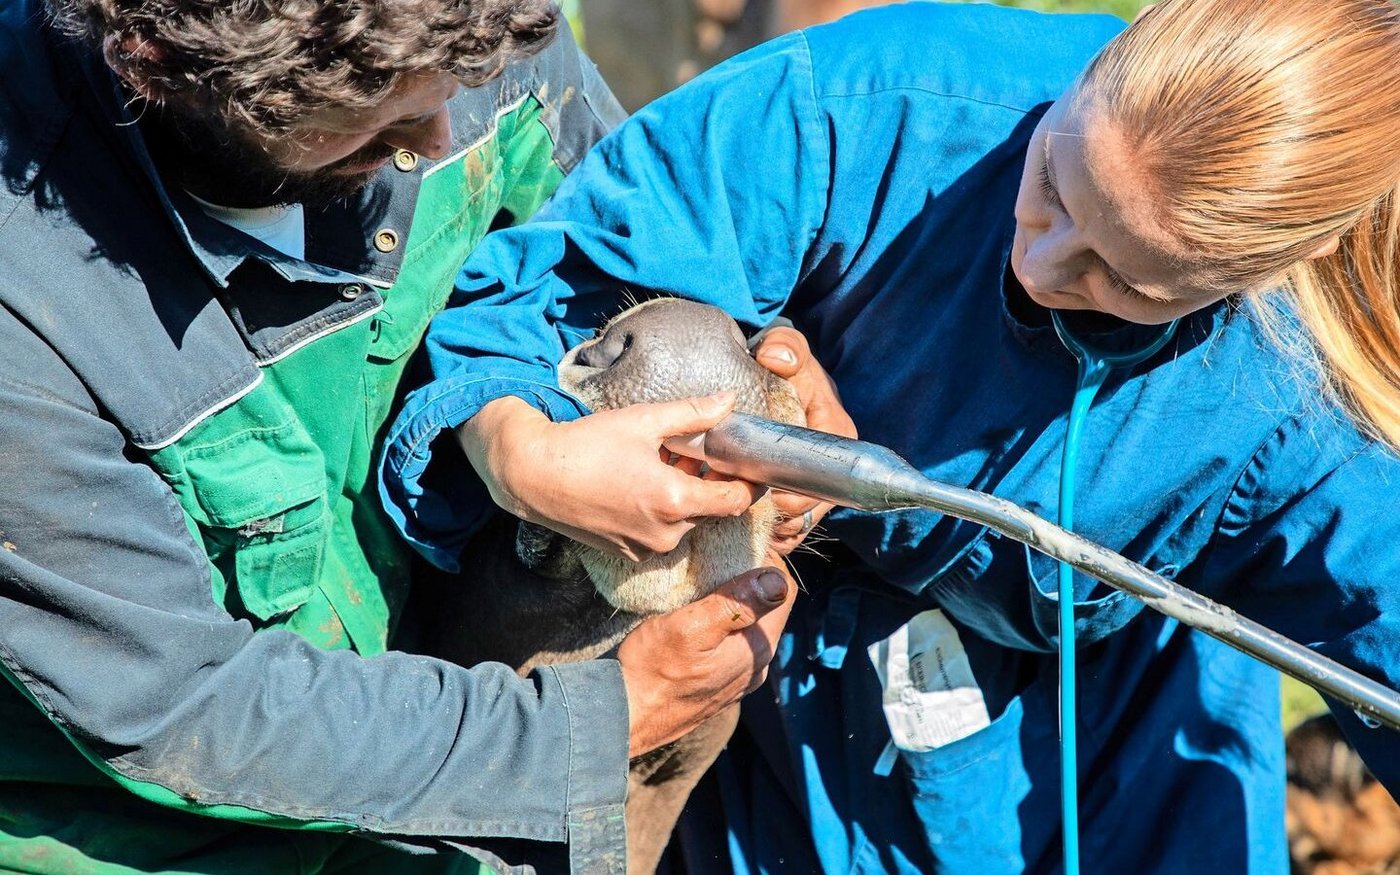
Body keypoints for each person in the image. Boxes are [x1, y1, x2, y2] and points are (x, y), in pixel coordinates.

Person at [381, 1, 1400, 872]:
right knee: (670, 350)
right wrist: (524, 452)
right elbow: (544, 293)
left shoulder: (1316, 398)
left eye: (1123, 280)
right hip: (773, 680)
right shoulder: (869, 99)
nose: (1044, 265)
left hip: (1080, 745)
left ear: (1281, 266)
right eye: (1050, 181)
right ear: (1094, 64)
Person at [0, 1, 800, 872]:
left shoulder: (458, 25)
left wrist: (773, 381)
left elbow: (624, 247)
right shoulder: (27, 304)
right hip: (184, 832)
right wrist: (611, 717)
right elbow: (187, 708)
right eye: (382, 122)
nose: (442, 132)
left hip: (471, 708)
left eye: (469, 80)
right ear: (157, 66)